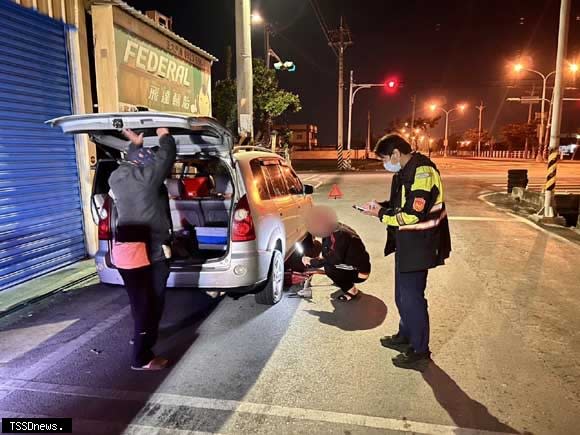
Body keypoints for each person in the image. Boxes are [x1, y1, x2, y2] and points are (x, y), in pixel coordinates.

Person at [362, 134, 451, 369]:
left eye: (384, 158)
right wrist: (382, 206)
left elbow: (413, 214)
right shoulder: (405, 171)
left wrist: (380, 215)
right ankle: (405, 336)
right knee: (402, 296)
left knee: (412, 299)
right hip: (408, 242)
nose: (385, 164)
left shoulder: (422, 172)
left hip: (421, 243)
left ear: (396, 154)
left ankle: (420, 350)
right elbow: (401, 203)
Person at [109, 128, 176, 371]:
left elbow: (132, 162)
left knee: (139, 301)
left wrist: (135, 145)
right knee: (151, 302)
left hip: (126, 250)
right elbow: (166, 156)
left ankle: (142, 336)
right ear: (144, 167)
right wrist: (164, 135)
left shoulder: (116, 177)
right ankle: (141, 357)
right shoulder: (147, 180)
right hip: (149, 251)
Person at [302, 206, 371, 302]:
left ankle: (351, 290)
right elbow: (329, 249)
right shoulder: (334, 228)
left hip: (360, 272)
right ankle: (344, 279)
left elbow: (332, 259)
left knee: (329, 267)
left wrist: (311, 261)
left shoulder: (339, 235)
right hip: (355, 265)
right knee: (329, 263)